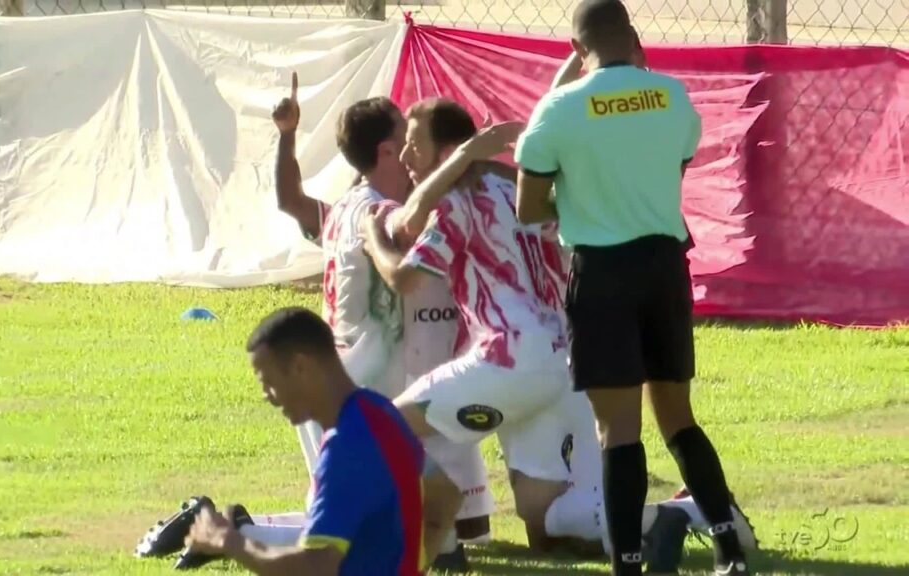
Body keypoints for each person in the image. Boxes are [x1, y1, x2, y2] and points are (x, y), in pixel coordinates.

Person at [513, 1, 752, 575]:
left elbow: (527, 209)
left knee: (617, 429)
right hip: (665, 267)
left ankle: (627, 564)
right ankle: (729, 549)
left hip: (602, 274)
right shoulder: (671, 97)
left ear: (576, 48)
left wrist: (576, 196)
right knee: (678, 417)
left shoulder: (557, 110)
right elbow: (669, 173)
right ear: (634, 38)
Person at [360, 97, 607, 563]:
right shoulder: (516, 191)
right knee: (547, 524)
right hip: (563, 361)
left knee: (378, 427)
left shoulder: (454, 204)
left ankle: (444, 544)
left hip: (510, 359)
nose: (408, 157)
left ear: (450, 150)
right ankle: (687, 514)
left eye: (415, 145)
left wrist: (372, 240)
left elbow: (404, 278)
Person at [266, 73, 502, 561]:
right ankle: (233, 528)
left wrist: (288, 136)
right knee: (382, 533)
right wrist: (465, 160)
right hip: (370, 391)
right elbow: (410, 222)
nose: (416, 146)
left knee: (458, 522)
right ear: (390, 151)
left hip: (348, 377)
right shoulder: (378, 212)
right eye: (408, 137)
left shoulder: (344, 208)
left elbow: (290, 201)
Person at [183, 307, 428, 575]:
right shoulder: (381, 412)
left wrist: (227, 540)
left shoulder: (345, 448)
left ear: (300, 367)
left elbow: (315, 567)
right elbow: (444, 495)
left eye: (268, 381)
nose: (267, 395)